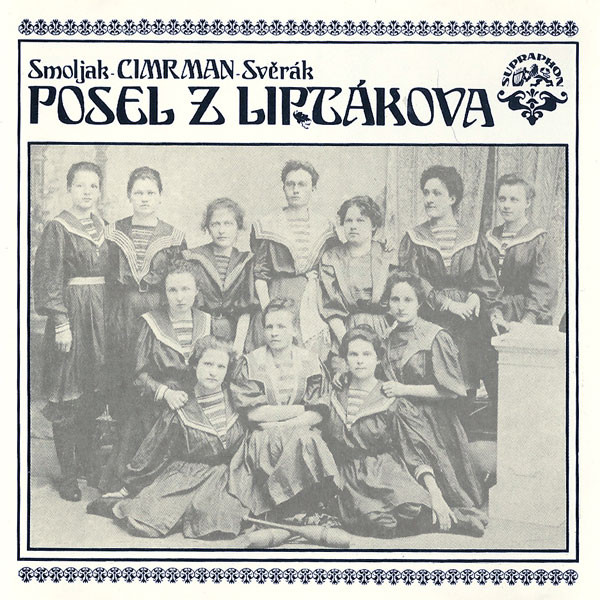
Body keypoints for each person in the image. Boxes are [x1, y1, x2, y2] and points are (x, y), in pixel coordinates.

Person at [322, 325, 480, 538]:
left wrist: (435, 494)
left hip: (384, 470)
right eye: (353, 354)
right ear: (346, 360)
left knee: (412, 508)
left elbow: (413, 450)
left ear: (378, 359)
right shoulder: (335, 395)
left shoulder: (389, 398)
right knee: (377, 522)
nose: (360, 361)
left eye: (367, 354)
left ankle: (453, 519)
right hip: (347, 474)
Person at [88, 336, 250, 539]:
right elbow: (154, 450)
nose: (213, 372)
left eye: (221, 366)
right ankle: (121, 506)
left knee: (220, 523)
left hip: (222, 478)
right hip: (185, 477)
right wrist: (127, 488)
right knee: (145, 522)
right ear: (195, 365)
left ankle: (186, 515)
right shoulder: (180, 405)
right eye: (207, 364)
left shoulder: (236, 400)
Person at [378, 271, 488, 524]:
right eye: (395, 299)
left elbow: (451, 390)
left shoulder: (435, 336)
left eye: (408, 300)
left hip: (434, 421)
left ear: (419, 303)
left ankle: (437, 496)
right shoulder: (388, 337)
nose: (401, 306)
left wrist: (403, 390)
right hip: (399, 417)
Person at [101, 167, 186, 491]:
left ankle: (151, 466)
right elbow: (106, 279)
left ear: (160, 196)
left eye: (151, 192)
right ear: (129, 195)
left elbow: (179, 280)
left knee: (152, 376)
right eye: (138, 192)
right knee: (125, 380)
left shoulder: (173, 236)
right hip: (122, 313)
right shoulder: (113, 232)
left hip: (157, 311)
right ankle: (120, 466)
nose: (145, 198)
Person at [101, 260, 212, 496]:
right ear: (165, 293)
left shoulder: (208, 322)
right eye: (173, 290)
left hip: (195, 400)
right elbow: (138, 374)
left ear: (197, 291)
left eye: (186, 289)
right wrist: (165, 393)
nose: (180, 297)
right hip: (156, 403)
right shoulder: (150, 323)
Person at [33, 161, 109, 501]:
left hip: (100, 315)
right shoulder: (58, 227)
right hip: (73, 314)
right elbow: (48, 278)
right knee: (68, 393)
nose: (87, 192)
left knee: (92, 392)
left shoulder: (103, 226)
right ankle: (67, 476)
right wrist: (61, 323)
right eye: (80, 185)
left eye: (93, 186)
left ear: (99, 191)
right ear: (69, 189)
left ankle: (88, 466)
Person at [228, 298, 340, 519]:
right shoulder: (251, 362)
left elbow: (318, 412)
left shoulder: (310, 361)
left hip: (298, 430)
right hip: (263, 436)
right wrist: (299, 410)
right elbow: (253, 413)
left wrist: (284, 424)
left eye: (281, 326)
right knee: (274, 441)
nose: (274, 333)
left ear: (294, 330)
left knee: (306, 440)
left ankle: (304, 506)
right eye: (269, 327)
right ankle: (282, 509)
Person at [397, 165, 503, 397]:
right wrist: (448, 304)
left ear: (452, 198)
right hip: (431, 317)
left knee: (467, 382)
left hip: (467, 321)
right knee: (437, 385)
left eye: (437, 193)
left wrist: (475, 296)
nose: (429, 199)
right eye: (426, 193)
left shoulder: (472, 237)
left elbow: (484, 279)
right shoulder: (414, 238)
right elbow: (413, 282)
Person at [480, 174, 558, 404]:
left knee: (524, 385)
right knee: (494, 379)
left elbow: (544, 285)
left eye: (514, 199)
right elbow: (485, 280)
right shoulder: (489, 238)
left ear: (528, 202)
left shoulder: (539, 238)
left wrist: (527, 321)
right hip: (494, 315)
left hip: (527, 315)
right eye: (502, 198)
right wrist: (494, 313)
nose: (506, 205)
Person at [249, 160, 338, 358]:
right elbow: (260, 275)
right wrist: (268, 312)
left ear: (313, 188)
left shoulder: (325, 227)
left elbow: (340, 259)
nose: (295, 190)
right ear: (283, 187)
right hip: (277, 297)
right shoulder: (266, 225)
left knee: (309, 358)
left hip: (312, 300)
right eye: (290, 184)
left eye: (302, 184)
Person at [319, 195, 396, 347]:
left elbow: (402, 299)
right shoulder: (331, 258)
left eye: (360, 220)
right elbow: (331, 308)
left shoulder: (388, 255)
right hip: (345, 332)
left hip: (385, 332)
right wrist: (347, 343)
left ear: (373, 225)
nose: (353, 226)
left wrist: (392, 332)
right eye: (348, 221)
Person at [184, 198, 258, 354]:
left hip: (234, 334)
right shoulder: (193, 258)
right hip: (199, 331)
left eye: (228, 224)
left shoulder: (246, 261)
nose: (221, 230)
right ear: (207, 227)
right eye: (215, 224)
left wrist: (238, 347)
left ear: (238, 226)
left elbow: (245, 309)